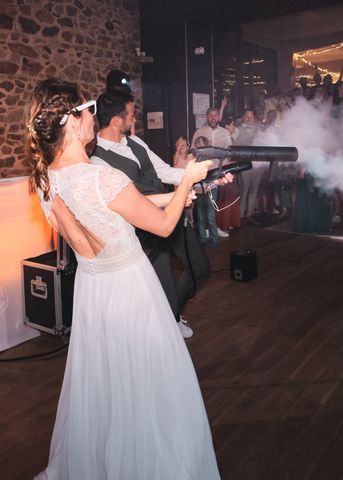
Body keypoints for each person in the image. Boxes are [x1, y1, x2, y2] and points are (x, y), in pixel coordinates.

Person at [26, 78, 220, 479]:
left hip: (95, 290)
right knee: (150, 382)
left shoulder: (49, 180)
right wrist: (185, 179)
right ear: (73, 122)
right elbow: (164, 227)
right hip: (130, 289)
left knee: (106, 385)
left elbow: (125, 208)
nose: (93, 116)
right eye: (88, 109)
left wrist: (184, 193)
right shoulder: (101, 177)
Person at [91, 91, 231, 338]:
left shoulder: (137, 143)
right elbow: (128, 204)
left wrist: (208, 177)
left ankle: (168, 314)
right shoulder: (98, 163)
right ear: (116, 121)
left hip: (172, 216)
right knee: (164, 285)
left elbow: (166, 172)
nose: (134, 120)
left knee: (200, 268)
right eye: (131, 115)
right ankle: (169, 320)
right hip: (145, 232)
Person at [192, 105, 233, 243]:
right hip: (200, 176)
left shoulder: (225, 133)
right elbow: (192, 151)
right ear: (207, 116)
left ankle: (214, 237)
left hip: (216, 176)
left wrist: (224, 172)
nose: (213, 118)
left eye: (215, 115)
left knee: (211, 211)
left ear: (218, 117)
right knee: (200, 213)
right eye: (210, 115)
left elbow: (229, 153)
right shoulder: (199, 131)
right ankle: (203, 237)